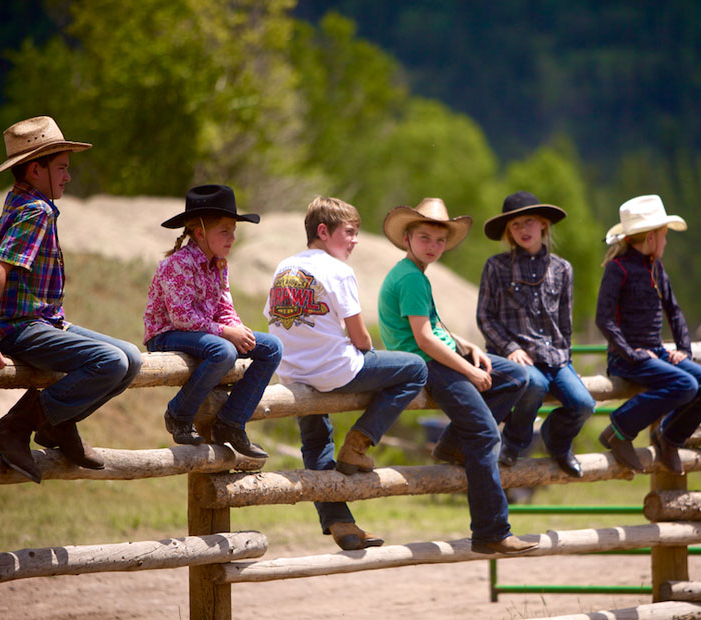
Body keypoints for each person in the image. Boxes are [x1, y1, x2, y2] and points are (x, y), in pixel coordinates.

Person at [0, 116, 142, 483]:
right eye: (62, 168)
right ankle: (14, 426)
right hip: (19, 326)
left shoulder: (27, 203)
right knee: (111, 361)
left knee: (130, 358)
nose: (67, 176)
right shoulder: (36, 211)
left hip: (42, 321)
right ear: (36, 169)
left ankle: (58, 424)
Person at [265, 196, 427, 551]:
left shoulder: (284, 268)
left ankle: (341, 524)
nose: (354, 241)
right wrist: (364, 353)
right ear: (323, 231)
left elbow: (277, 320)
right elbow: (360, 337)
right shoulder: (337, 270)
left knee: (315, 442)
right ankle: (359, 443)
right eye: (349, 232)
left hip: (293, 375)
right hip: (334, 369)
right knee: (415, 368)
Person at [378, 197, 536, 555]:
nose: (432, 246)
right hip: (426, 364)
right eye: (424, 239)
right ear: (407, 239)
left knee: (515, 376)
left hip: (438, 355)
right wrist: (467, 369)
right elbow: (423, 339)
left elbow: (431, 324)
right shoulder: (411, 278)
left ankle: (451, 443)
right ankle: (490, 531)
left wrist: (466, 346)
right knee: (483, 435)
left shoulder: (414, 273)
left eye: (438, 240)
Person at [144, 184, 281, 459]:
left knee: (272, 347)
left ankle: (231, 422)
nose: (232, 238)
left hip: (203, 332)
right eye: (224, 231)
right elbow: (181, 317)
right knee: (224, 351)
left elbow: (224, 306)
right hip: (167, 333)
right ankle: (179, 413)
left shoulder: (219, 263)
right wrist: (226, 332)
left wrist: (238, 329)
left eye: (234, 231)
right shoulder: (178, 264)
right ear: (200, 232)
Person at [595, 194, 701, 475]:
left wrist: (684, 349)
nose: (666, 242)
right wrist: (629, 353)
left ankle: (669, 437)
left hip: (656, 352)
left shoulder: (656, 267)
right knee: (686, 385)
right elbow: (604, 319)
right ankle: (619, 428)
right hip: (626, 358)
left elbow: (674, 310)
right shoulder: (617, 270)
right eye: (665, 235)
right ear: (652, 237)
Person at [477, 191, 595, 478]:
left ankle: (557, 440)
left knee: (584, 404)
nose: (522, 230)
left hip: (555, 357)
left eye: (528, 222)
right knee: (535, 385)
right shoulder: (496, 267)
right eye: (515, 226)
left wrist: (566, 360)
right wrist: (508, 348)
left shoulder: (562, 268)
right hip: (519, 357)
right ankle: (515, 443)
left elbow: (564, 323)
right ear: (508, 232)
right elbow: (485, 316)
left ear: (543, 224)